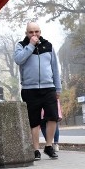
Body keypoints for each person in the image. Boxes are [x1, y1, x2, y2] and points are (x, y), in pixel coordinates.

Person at [14, 22, 61, 160]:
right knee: (34, 121)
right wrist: (31, 46)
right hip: (30, 89)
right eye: (31, 32)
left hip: (48, 87)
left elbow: (55, 68)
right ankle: (35, 149)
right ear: (26, 33)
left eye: (37, 32)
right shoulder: (21, 46)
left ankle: (48, 146)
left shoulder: (48, 46)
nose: (34, 34)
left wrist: (58, 88)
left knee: (53, 116)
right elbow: (18, 60)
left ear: (40, 32)